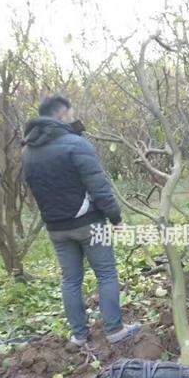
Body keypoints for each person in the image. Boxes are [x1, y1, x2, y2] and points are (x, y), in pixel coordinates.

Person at [22, 94, 140, 346]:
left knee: (70, 280)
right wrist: (116, 219)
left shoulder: (28, 152)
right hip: (89, 223)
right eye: (71, 113)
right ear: (61, 114)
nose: (74, 117)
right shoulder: (75, 143)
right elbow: (98, 186)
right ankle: (114, 330)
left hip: (56, 228)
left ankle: (79, 335)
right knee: (106, 274)